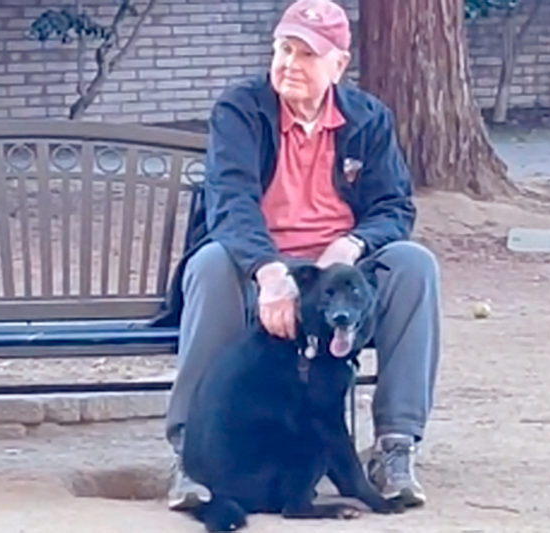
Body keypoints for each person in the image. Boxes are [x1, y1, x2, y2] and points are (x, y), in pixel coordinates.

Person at [153, 0, 442, 512]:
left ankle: (396, 445)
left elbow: (393, 206)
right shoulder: (241, 109)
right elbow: (231, 201)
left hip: (338, 276)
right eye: (283, 49)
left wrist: (350, 247)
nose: (289, 63)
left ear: (338, 64)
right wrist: (270, 273)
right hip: (257, 263)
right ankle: (190, 455)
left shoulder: (367, 119)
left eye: (306, 54)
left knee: (414, 266)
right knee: (210, 265)